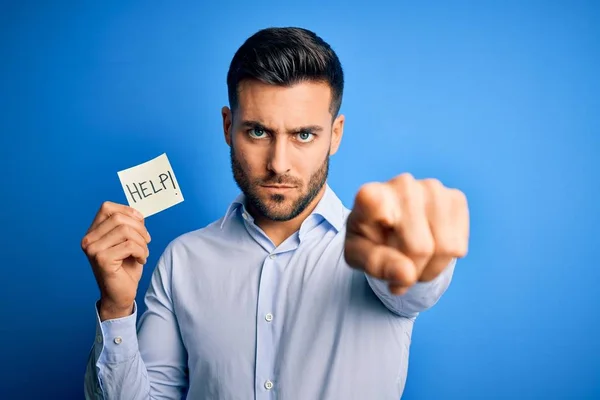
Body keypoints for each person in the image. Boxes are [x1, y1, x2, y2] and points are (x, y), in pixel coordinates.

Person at [82, 26, 469, 399]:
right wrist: (116, 309)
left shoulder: (373, 249)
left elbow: (411, 286)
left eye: (303, 135)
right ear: (228, 126)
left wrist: (418, 256)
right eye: (258, 132)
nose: (278, 164)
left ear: (335, 134)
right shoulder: (181, 261)